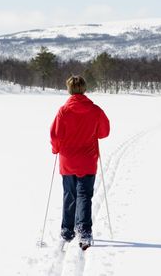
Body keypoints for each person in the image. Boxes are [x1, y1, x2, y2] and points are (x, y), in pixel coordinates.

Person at [50, 75, 110, 250]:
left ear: (69, 90)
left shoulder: (63, 111)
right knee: (84, 195)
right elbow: (104, 132)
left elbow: (55, 135)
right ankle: (84, 231)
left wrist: (55, 149)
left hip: (68, 160)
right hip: (87, 160)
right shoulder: (95, 110)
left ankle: (67, 231)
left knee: (69, 195)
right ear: (84, 89)